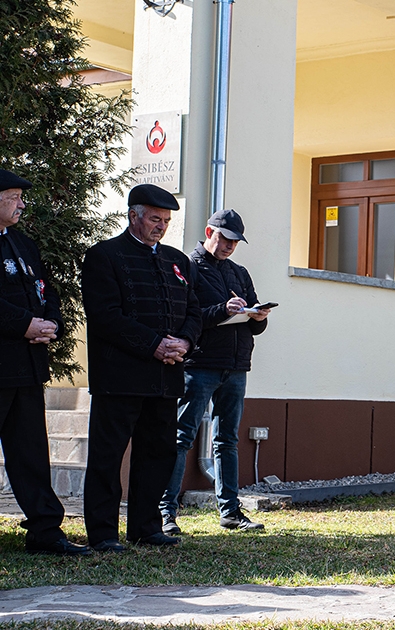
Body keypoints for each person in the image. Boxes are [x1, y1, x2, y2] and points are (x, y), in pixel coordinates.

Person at [81, 183, 201, 552]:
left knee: (157, 454)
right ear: (133, 216)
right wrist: (154, 345)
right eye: (154, 219)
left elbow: (194, 310)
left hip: (165, 378)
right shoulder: (104, 255)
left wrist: (184, 342)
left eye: (165, 221)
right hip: (119, 378)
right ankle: (102, 533)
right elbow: (104, 316)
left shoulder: (178, 260)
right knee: (107, 456)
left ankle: (146, 527)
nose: (160, 226)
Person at [160, 209, 270, 535]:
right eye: (225, 239)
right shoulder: (188, 268)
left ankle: (231, 513)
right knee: (181, 437)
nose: (230, 247)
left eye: (235, 242)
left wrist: (258, 317)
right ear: (210, 231)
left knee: (227, 441)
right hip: (200, 366)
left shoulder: (240, 273)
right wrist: (222, 310)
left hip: (236, 367)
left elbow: (253, 325)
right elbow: (185, 317)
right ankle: (166, 512)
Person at [0, 169, 90, 556]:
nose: (22, 203)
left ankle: (44, 530)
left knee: (31, 454)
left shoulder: (24, 244)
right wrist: (24, 324)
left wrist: (51, 321)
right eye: (15, 196)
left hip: (27, 368)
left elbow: (45, 289)